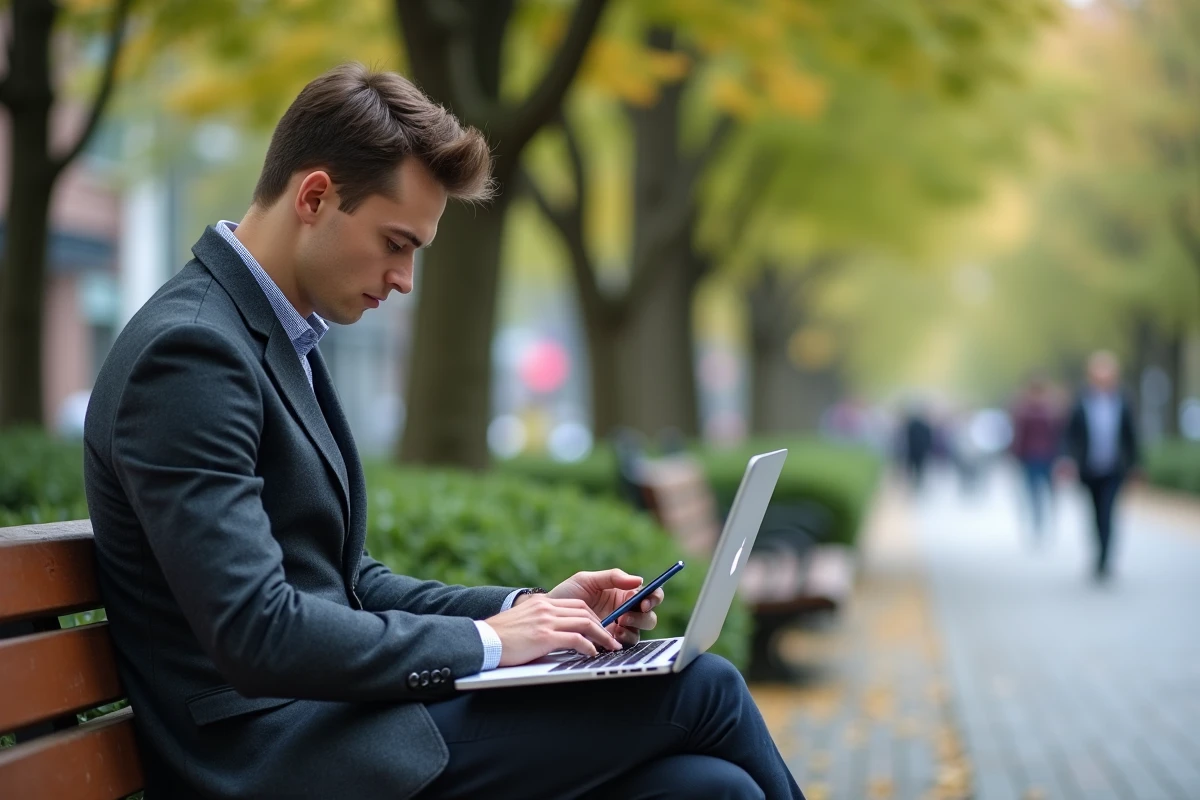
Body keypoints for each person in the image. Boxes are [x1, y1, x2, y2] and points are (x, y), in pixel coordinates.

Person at [82, 64, 804, 800]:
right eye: (396, 242)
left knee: (711, 788)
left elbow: (348, 583)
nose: (404, 279)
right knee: (704, 689)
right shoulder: (192, 353)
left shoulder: (266, 334)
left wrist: (526, 613)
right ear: (315, 197)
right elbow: (255, 629)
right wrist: (489, 643)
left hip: (335, 723)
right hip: (271, 758)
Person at [1059, 351, 1140, 581]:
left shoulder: (1123, 400)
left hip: (1115, 467)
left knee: (1108, 512)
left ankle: (1105, 559)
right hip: (1089, 467)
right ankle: (1098, 552)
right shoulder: (1081, 400)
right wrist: (1067, 459)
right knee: (1094, 513)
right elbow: (1070, 434)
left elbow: (1132, 435)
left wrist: (1136, 464)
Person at [1009, 376, 1063, 542]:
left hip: (1044, 456)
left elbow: (1058, 435)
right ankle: (1040, 523)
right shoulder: (1045, 410)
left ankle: (1042, 523)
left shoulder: (1033, 409)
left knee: (1041, 492)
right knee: (1036, 492)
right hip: (1033, 457)